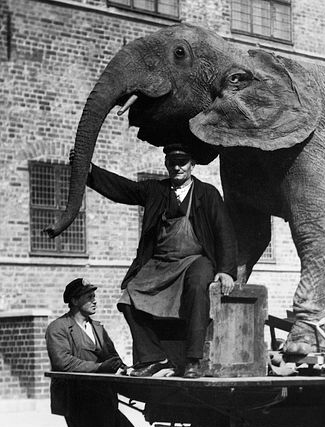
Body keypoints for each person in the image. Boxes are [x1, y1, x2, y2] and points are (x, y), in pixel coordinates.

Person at [80, 144, 237, 378]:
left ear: (192, 165)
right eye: (172, 162)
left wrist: (226, 270)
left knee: (197, 287)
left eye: (182, 162)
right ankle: (154, 357)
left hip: (195, 260)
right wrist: (90, 171)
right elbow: (124, 189)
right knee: (129, 297)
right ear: (166, 165)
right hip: (161, 262)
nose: (177, 167)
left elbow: (224, 231)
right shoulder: (156, 190)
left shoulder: (207, 193)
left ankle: (193, 359)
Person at [46, 278, 146, 427]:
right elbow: (63, 362)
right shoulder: (58, 328)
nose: (94, 301)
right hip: (76, 397)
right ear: (74, 300)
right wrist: (100, 367)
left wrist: (125, 368)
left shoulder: (98, 327)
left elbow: (112, 355)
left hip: (102, 394)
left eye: (94, 296)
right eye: (88, 297)